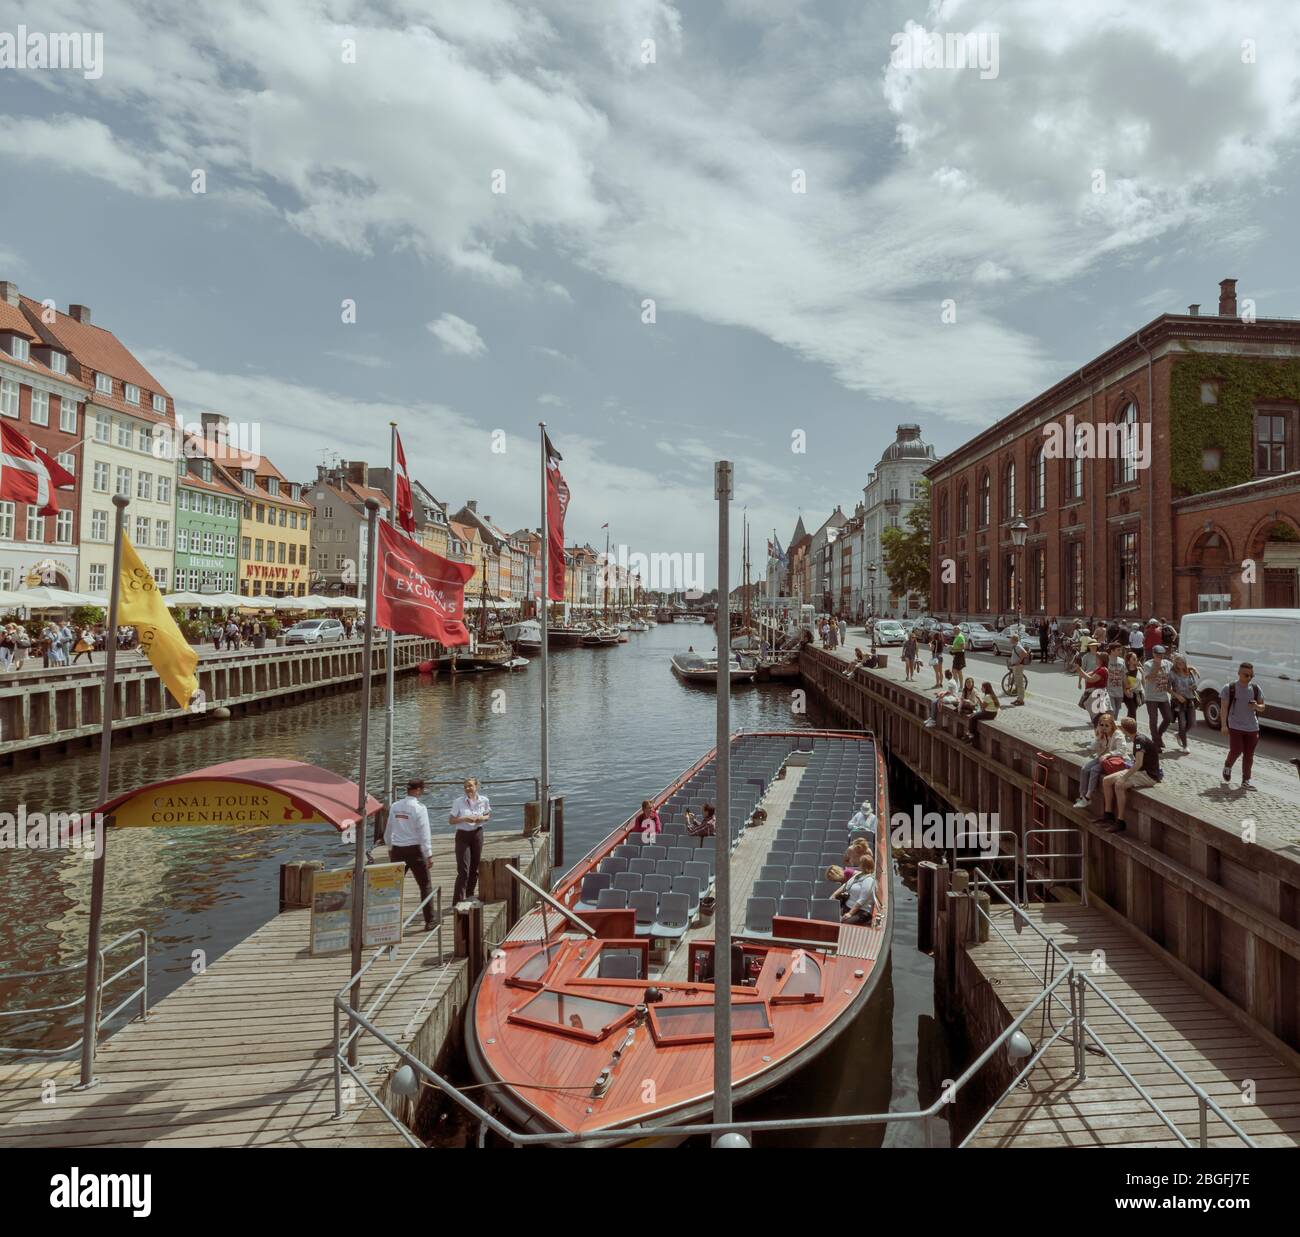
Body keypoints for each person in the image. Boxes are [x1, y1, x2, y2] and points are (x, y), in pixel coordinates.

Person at [385, 778, 435, 929]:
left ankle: (389, 922)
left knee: (393, 887)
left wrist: (389, 847)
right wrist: (429, 854)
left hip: (397, 850)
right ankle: (430, 921)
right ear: (419, 790)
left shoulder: (395, 806)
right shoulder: (420, 808)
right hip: (414, 850)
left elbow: (388, 829)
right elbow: (424, 833)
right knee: (425, 885)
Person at [1101, 717, 1160, 832]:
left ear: (1124, 729)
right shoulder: (1136, 738)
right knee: (1106, 780)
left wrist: (1124, 777)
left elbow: (1138, 764)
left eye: (1120, 727)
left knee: (1119, 785)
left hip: (1148, 775)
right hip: (1140, 771)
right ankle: (1108, 815)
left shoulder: (1139, 741)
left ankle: (1120, 821)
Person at [1220, 662, 1265, 790]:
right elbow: (1223, 708)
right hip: (1235, 726)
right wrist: (1224, 725)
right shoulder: (1229, 688)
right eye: (1246, 675)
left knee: (1249, 754)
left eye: (1252, 675)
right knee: (1236, 750)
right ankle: (1228, 765)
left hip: (1252, 727)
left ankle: (1246, 780)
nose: (1249, 677)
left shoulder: (1256, 689)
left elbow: (1263, 707)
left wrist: (1256, 706)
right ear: (1239, 673)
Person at [449, 776, 492, 903]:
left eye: (470, 786)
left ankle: (470, 895)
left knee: (475, 866)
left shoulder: (484, 800)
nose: (468, 788)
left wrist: (481, 819)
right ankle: (457, 900)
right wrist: (464, 819)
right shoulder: (458, 802)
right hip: (462, 835)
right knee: (463, 869)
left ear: (476, 786)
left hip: (477, 834)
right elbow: (451, 820)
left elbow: (487, 815)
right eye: (465, 786)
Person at [1073, 713, 1125, 808]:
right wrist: (1098, 737)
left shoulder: (1118, 735)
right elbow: (1092, 748)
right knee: (1085, 769)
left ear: (1111, 725)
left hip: (1113, 760)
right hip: (1102, 758)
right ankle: (1082, 796)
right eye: (1102, 725)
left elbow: (1121, 750)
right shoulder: (1102, 733)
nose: (1104, 727)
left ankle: (1088, 797)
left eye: (1106, 725)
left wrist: (1109, 754)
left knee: (1094, 770)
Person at [1142, 645, 1173, 751]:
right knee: (1153, 720)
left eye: (1161, 654)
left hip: (1163, 696)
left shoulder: (1168, 664)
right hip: (1151, 697)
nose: (1160, 656)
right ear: (1153, 654)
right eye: (1157, 654)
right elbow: (1149, 679)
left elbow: (1176, 671)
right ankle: (1155, 742)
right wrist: (1156, 665)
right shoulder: (1147, 664)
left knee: (1168, 718)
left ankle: (1158, 736)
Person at [1168, 653, 1201, 751]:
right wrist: (1177, 696)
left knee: (1191, 723)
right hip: (1178, 701)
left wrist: (1194, 687)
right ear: (1175, 663)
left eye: (1182, 662)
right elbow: (1167, 687)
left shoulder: (1189, 672)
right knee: (1182, 723)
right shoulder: (1172, 673)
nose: (1180, 664)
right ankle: (1185, 746)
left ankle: (1179, 735)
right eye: (1178, 663)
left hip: (1189, 699)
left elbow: (1194, 684)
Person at [839, 854, 877, 925]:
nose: (859, 865)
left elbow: (862, 899)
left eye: (860, 863)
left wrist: (850, 913)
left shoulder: (869, 880)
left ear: (864, 865)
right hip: (848, 907)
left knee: (845, 923)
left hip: (861, 911)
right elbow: (846, 885)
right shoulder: (858, 875)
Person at [963, 680, 1000, 745]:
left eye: (982, 687)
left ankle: (971, 734)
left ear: (985, 688)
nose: (981, 689)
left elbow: (983, 708)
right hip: (993, 713)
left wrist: (979, 699)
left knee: (972, 717)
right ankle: (971, 734)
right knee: (973, 715)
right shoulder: (993, 695)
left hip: (988, 713)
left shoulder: (987, 696)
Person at [1007, 633, 1030, 705]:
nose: (1009, 639)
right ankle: (1019, 698)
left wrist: (1018, 662)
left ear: (1014, 640)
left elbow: (1025, 653)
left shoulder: (1018, 646)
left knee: (1020, 684)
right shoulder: (1015, 646)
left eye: (1010, 638)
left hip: (1018, 667)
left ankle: (1021, 700)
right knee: (1018, 683)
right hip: (1016, 666)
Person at [1121, 650, 1144, 721]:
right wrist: (1126, 691)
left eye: (1136, 658)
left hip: (1137, 694)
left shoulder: (1140, 670)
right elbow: (1123, 684)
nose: (1136, 659)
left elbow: (1144, 682)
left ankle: (1126, 727)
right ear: (1128, 661)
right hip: (1128, 694)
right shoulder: (1125, 672)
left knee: (1131, 713)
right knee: (1133, 711)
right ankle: (1133, 729)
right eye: (1133, 658)